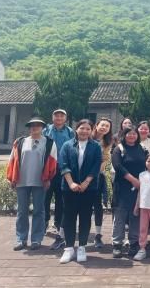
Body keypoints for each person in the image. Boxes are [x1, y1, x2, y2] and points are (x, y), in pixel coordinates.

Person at [6, 117, 58, 251]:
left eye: (38, 125)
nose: (35, 127)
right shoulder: (20, 142)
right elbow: (12, 160)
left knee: (39, 211)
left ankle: (36, 239)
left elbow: (53, 162)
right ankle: (21, 239)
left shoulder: (49, 143)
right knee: (22, 211)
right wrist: (11, 178)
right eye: (32, 125)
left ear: (43, 128)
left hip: (40, 181)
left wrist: (48, 178)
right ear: (29, 127)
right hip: (22, 181)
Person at [58, 119, 102, 264]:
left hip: (89, 188)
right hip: (69, 188)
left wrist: (86, 182)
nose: (84, 131)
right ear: (76, 129)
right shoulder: (67, 145)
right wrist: (71, 183)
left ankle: (82, 247)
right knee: (69, 217)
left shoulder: (95, 146)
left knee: (85, 217)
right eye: (82, 128)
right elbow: (63, 165)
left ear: (92, 131)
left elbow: (96, 165)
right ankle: (69, 248)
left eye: (88, 129)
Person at [111, 126, 146, 258]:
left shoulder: (142, 148)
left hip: (139, 187)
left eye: (134, 134)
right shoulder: (118, 149)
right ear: (124, 135)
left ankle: (133, 243)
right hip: (122, 187)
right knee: (120, 216)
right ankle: (117, 244)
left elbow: (147, 164)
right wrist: (133, 180)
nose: (132, 136)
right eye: (129, 134)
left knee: (135, 215)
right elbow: (118, 166)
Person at [43, 109, 75, 251]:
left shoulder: (70, 132)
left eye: (62, 116)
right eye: (56, 115)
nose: (59, 118)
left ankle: (58, 223)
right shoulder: (46, 130)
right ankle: (44, 223)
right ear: (53, 117)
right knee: (45, 197)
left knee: (61, 199)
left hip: (63, 169)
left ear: (65, 118)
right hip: (48, 168)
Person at [91, 117, 113, 249]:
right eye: (102, 125)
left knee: (97, 205)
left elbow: (105, 159)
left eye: (107, 126)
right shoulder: (88, 137)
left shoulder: (107, 142)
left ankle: (98, 234)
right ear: (96, 125)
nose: (104, 128)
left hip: (97, 177)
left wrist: (94, 173)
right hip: (81, 176)